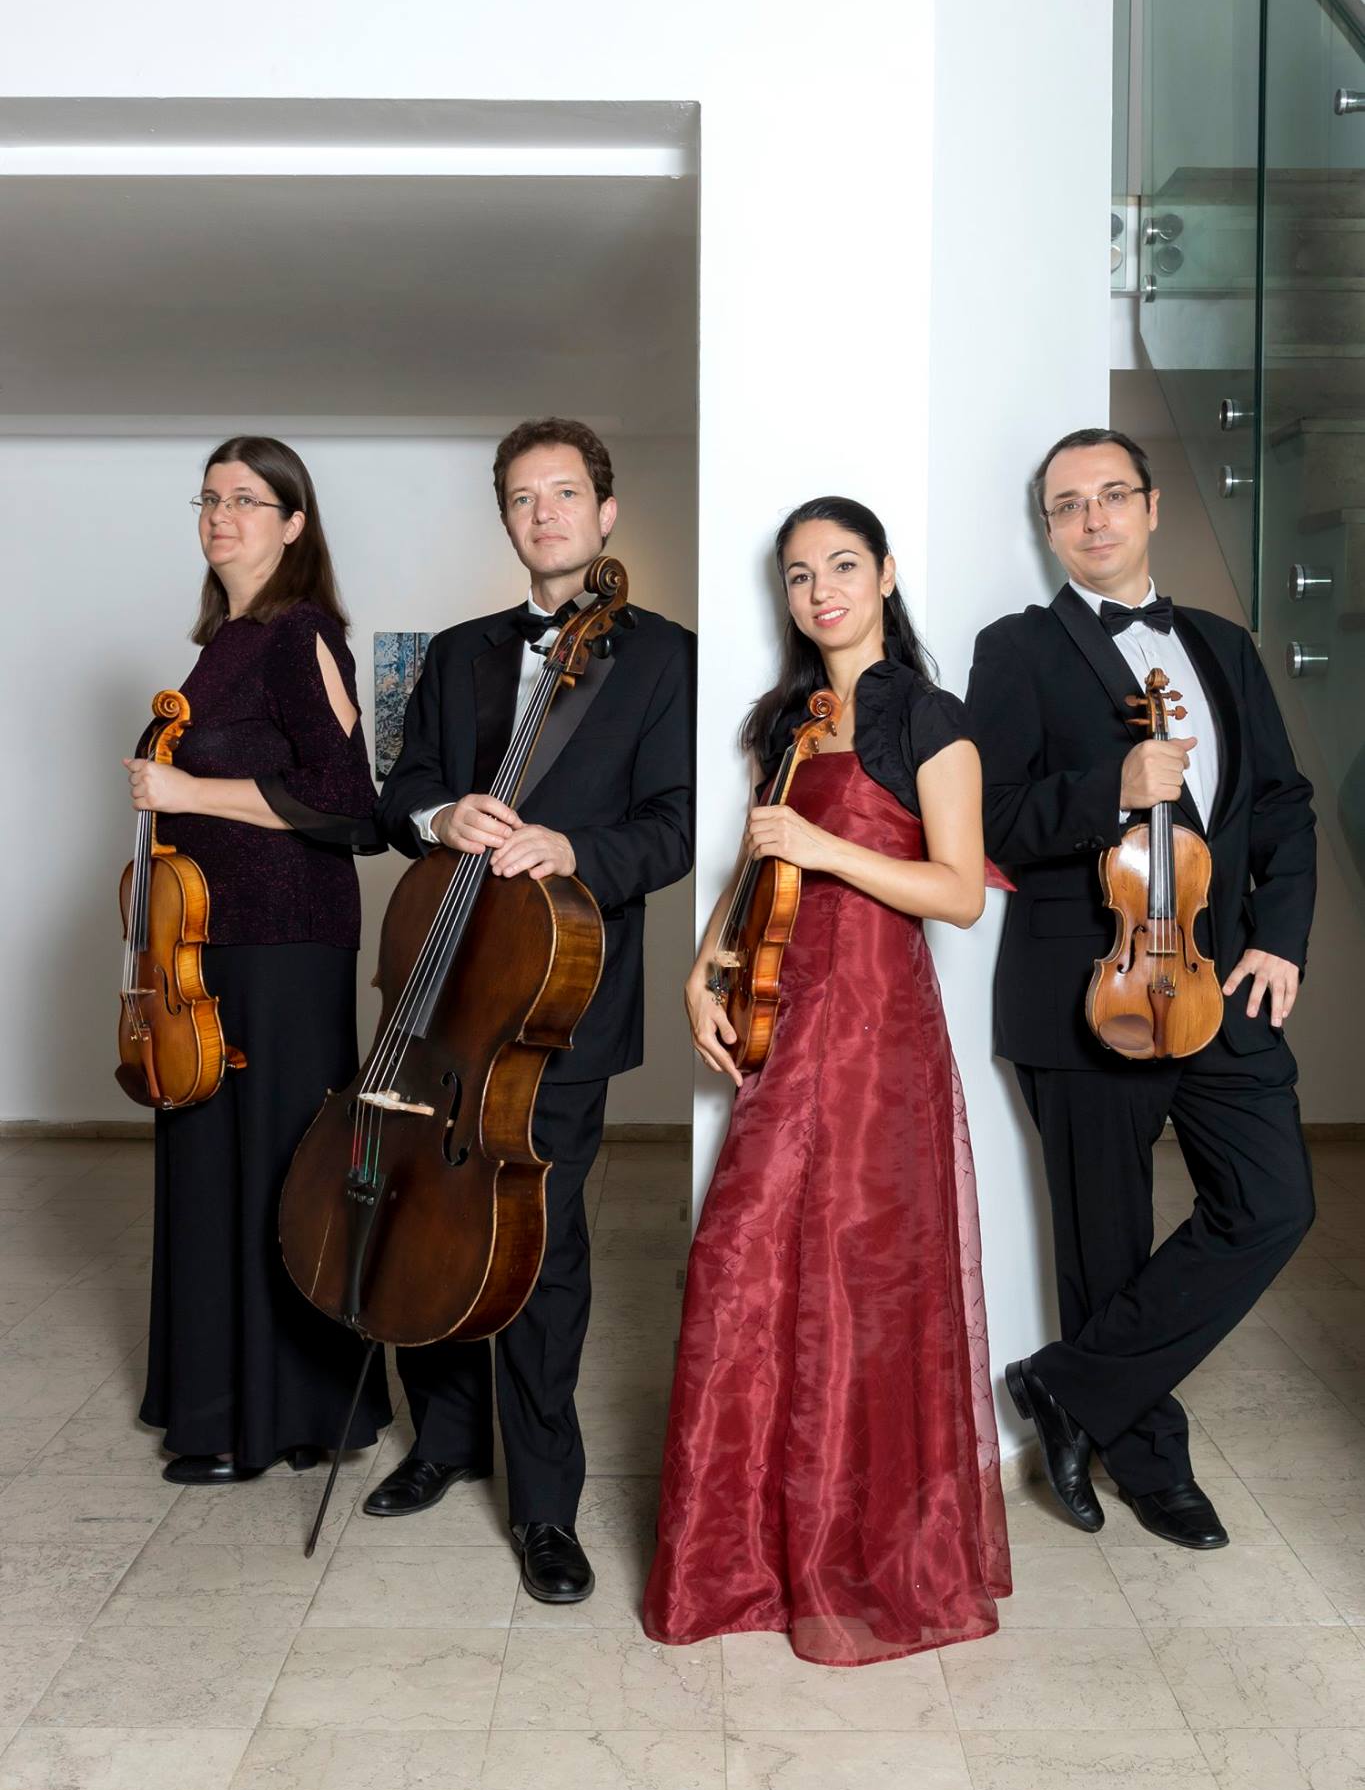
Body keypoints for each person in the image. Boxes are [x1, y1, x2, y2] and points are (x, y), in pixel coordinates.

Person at [643, 496, 1012, 1667]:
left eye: (843, 565)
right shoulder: (787, 722)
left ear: (886, 573)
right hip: (785, 1019)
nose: (822, 591)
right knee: (744, 1267)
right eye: (800, 575)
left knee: (859, 1284)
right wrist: (703, 964)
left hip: (879, 1037)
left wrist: (829, 847)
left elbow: (959, 890)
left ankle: (858, 1556)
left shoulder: (932, 717)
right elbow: (760, 859)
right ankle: (742, 1558)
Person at [966, 426, 1317, 1550]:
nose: (1094, 518)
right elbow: (991, 820)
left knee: (1272, 1204)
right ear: (1049, 529)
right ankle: (1150, 1463)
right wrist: (1108, 786)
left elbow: (1281, 802)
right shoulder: (1017, 649)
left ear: (1152, 506)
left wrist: (1282, 940)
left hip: (1221, 981)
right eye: (1068, 505)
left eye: (1112, 494)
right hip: (1092, 986)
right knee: (1105, 1241)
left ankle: (1067, 1384)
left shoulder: (1221, 644)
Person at [366, 417, 694, 1605]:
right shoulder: (459, 652)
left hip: (561, 996)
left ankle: (545, 1502)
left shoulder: (668, 659)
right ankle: (446, 1439)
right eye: (521, 495)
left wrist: (575, 848)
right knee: (427, 1212)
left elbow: (676, 821)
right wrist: (440, 814)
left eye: (563, 492)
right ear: (505, 517)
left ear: (605, 512)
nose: (543, 511)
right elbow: (401, 792)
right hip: (443, 985)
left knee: (538, 1243)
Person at [125, 435, 393, 1482]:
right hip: (206, 942)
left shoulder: (300, 632)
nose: (221, 515)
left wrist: (187, 791)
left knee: (283, 1168)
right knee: (209, 1165)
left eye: (247, 499)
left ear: (293, 524)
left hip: (286, 939)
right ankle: (222, 1406)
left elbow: (350, 804)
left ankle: (293, 1414)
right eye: (209, 498)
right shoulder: (222, 645)